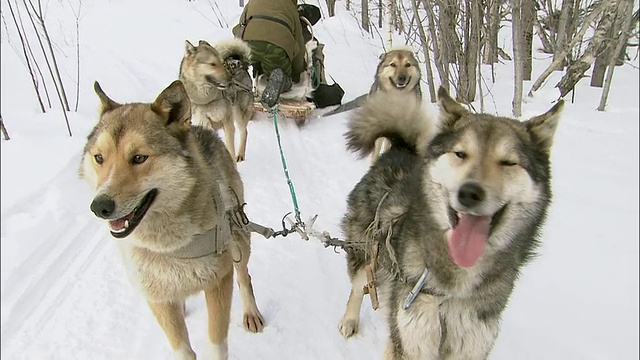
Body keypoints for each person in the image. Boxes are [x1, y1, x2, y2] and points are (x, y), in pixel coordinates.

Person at [233, 0, 306, 108]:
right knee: (280, 74)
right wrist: (297, 74)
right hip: (277, 48)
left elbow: (241, 25)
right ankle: (280, 78)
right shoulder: (290, 7)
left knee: (255, 58)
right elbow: (299, 45)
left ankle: (248, 76)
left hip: (249, 45)